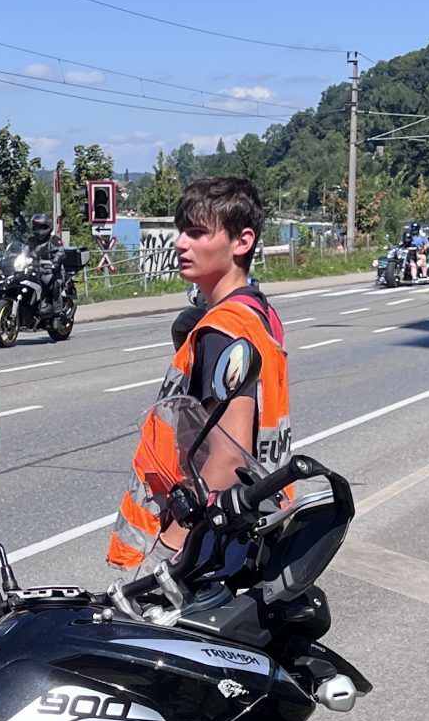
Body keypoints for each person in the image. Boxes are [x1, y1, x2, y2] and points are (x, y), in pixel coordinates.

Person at [107, 175, 291, 568]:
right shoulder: (259, 313)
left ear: (242, 241)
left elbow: (227, 456)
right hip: (255, 518)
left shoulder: (222, 330)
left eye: (197, 233)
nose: (180, 243)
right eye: (180, 231)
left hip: (206, 539)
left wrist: (172, 549)